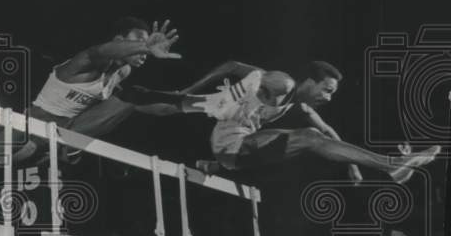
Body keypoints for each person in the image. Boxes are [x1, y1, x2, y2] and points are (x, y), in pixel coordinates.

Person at [119, 60, 440, 183]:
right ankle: (391, 165)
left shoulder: (298, 106)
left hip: (244, 155)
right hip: (228, 141)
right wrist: (188, 90)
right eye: (326, 91)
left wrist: (352, 165)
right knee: (309, 136)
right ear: (309, 81)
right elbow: (231, 65)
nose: (328, 98)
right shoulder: (281, 83)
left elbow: (330, 132)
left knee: (314, 133)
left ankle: (390, 166)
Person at [0, 18, 181, 173]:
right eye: (139, 41)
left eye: (147, 45)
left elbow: (125, 103)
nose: (144, 51)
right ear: (120, 40)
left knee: (133, 97)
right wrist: (146, 46)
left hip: (65, 132)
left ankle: (187, 104)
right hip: (29, 128)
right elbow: (99, 51)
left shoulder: (123, 71)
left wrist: (176, 99)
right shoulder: (82, 64)